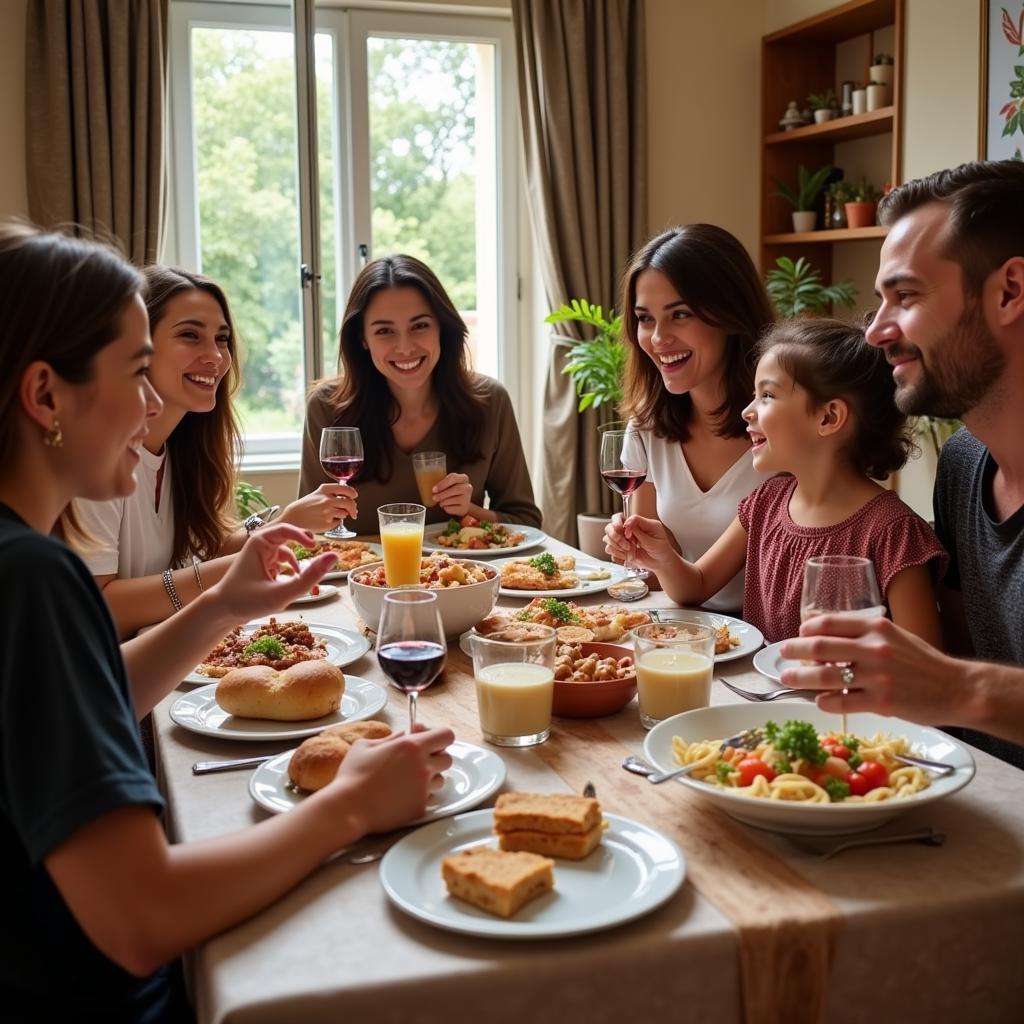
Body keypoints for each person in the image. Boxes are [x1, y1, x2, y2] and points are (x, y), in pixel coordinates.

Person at [0, 223, 454, 1022]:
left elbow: (84, 702)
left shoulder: (22, 562)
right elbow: (145, 920)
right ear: (45, 396)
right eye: (138, 372)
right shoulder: (33, 580)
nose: (150, 406)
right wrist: (349, 806)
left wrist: (223, 608)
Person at [783, 159, 1024, 762]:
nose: (875, 331)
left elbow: (961, 681)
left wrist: (956, 687)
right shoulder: (966, 465)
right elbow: (965, 651)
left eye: (906, 296)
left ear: (1010, 291)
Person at [617, 318, 947, 644]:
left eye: (767, 396)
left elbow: (923, 667)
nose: (747, 411)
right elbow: (697, 585)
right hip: (763, 695)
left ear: (828, 417)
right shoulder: (766, 502)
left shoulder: (894, 533)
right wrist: (662, 557)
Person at [73, 266, 353, 638]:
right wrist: (237, 568)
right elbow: (95, 608)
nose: (216, 357)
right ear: (137, 346)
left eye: (221, 339)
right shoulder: (96, 455)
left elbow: (207, 551)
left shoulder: (180, 448)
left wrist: (285, 524)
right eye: (190, 335)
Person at [299, 254, 541, 535]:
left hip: (464, 577)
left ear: (442, 327)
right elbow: (306, 532)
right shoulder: (327, 408)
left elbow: (527, 523)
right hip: (358, 577)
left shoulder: (490, 401)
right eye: (385, 331)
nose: (405, 347)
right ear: (362, 339)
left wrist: (469, 510)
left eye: (420, 326)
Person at [603, 224, 773, 612]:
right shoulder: (646, 429)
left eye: (680, 314)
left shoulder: (781, 425)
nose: (658, 338)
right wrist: (637, 547)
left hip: (765, 644)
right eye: (645, 319)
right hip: (682, 632)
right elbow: (657, 572)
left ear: (731, 313)